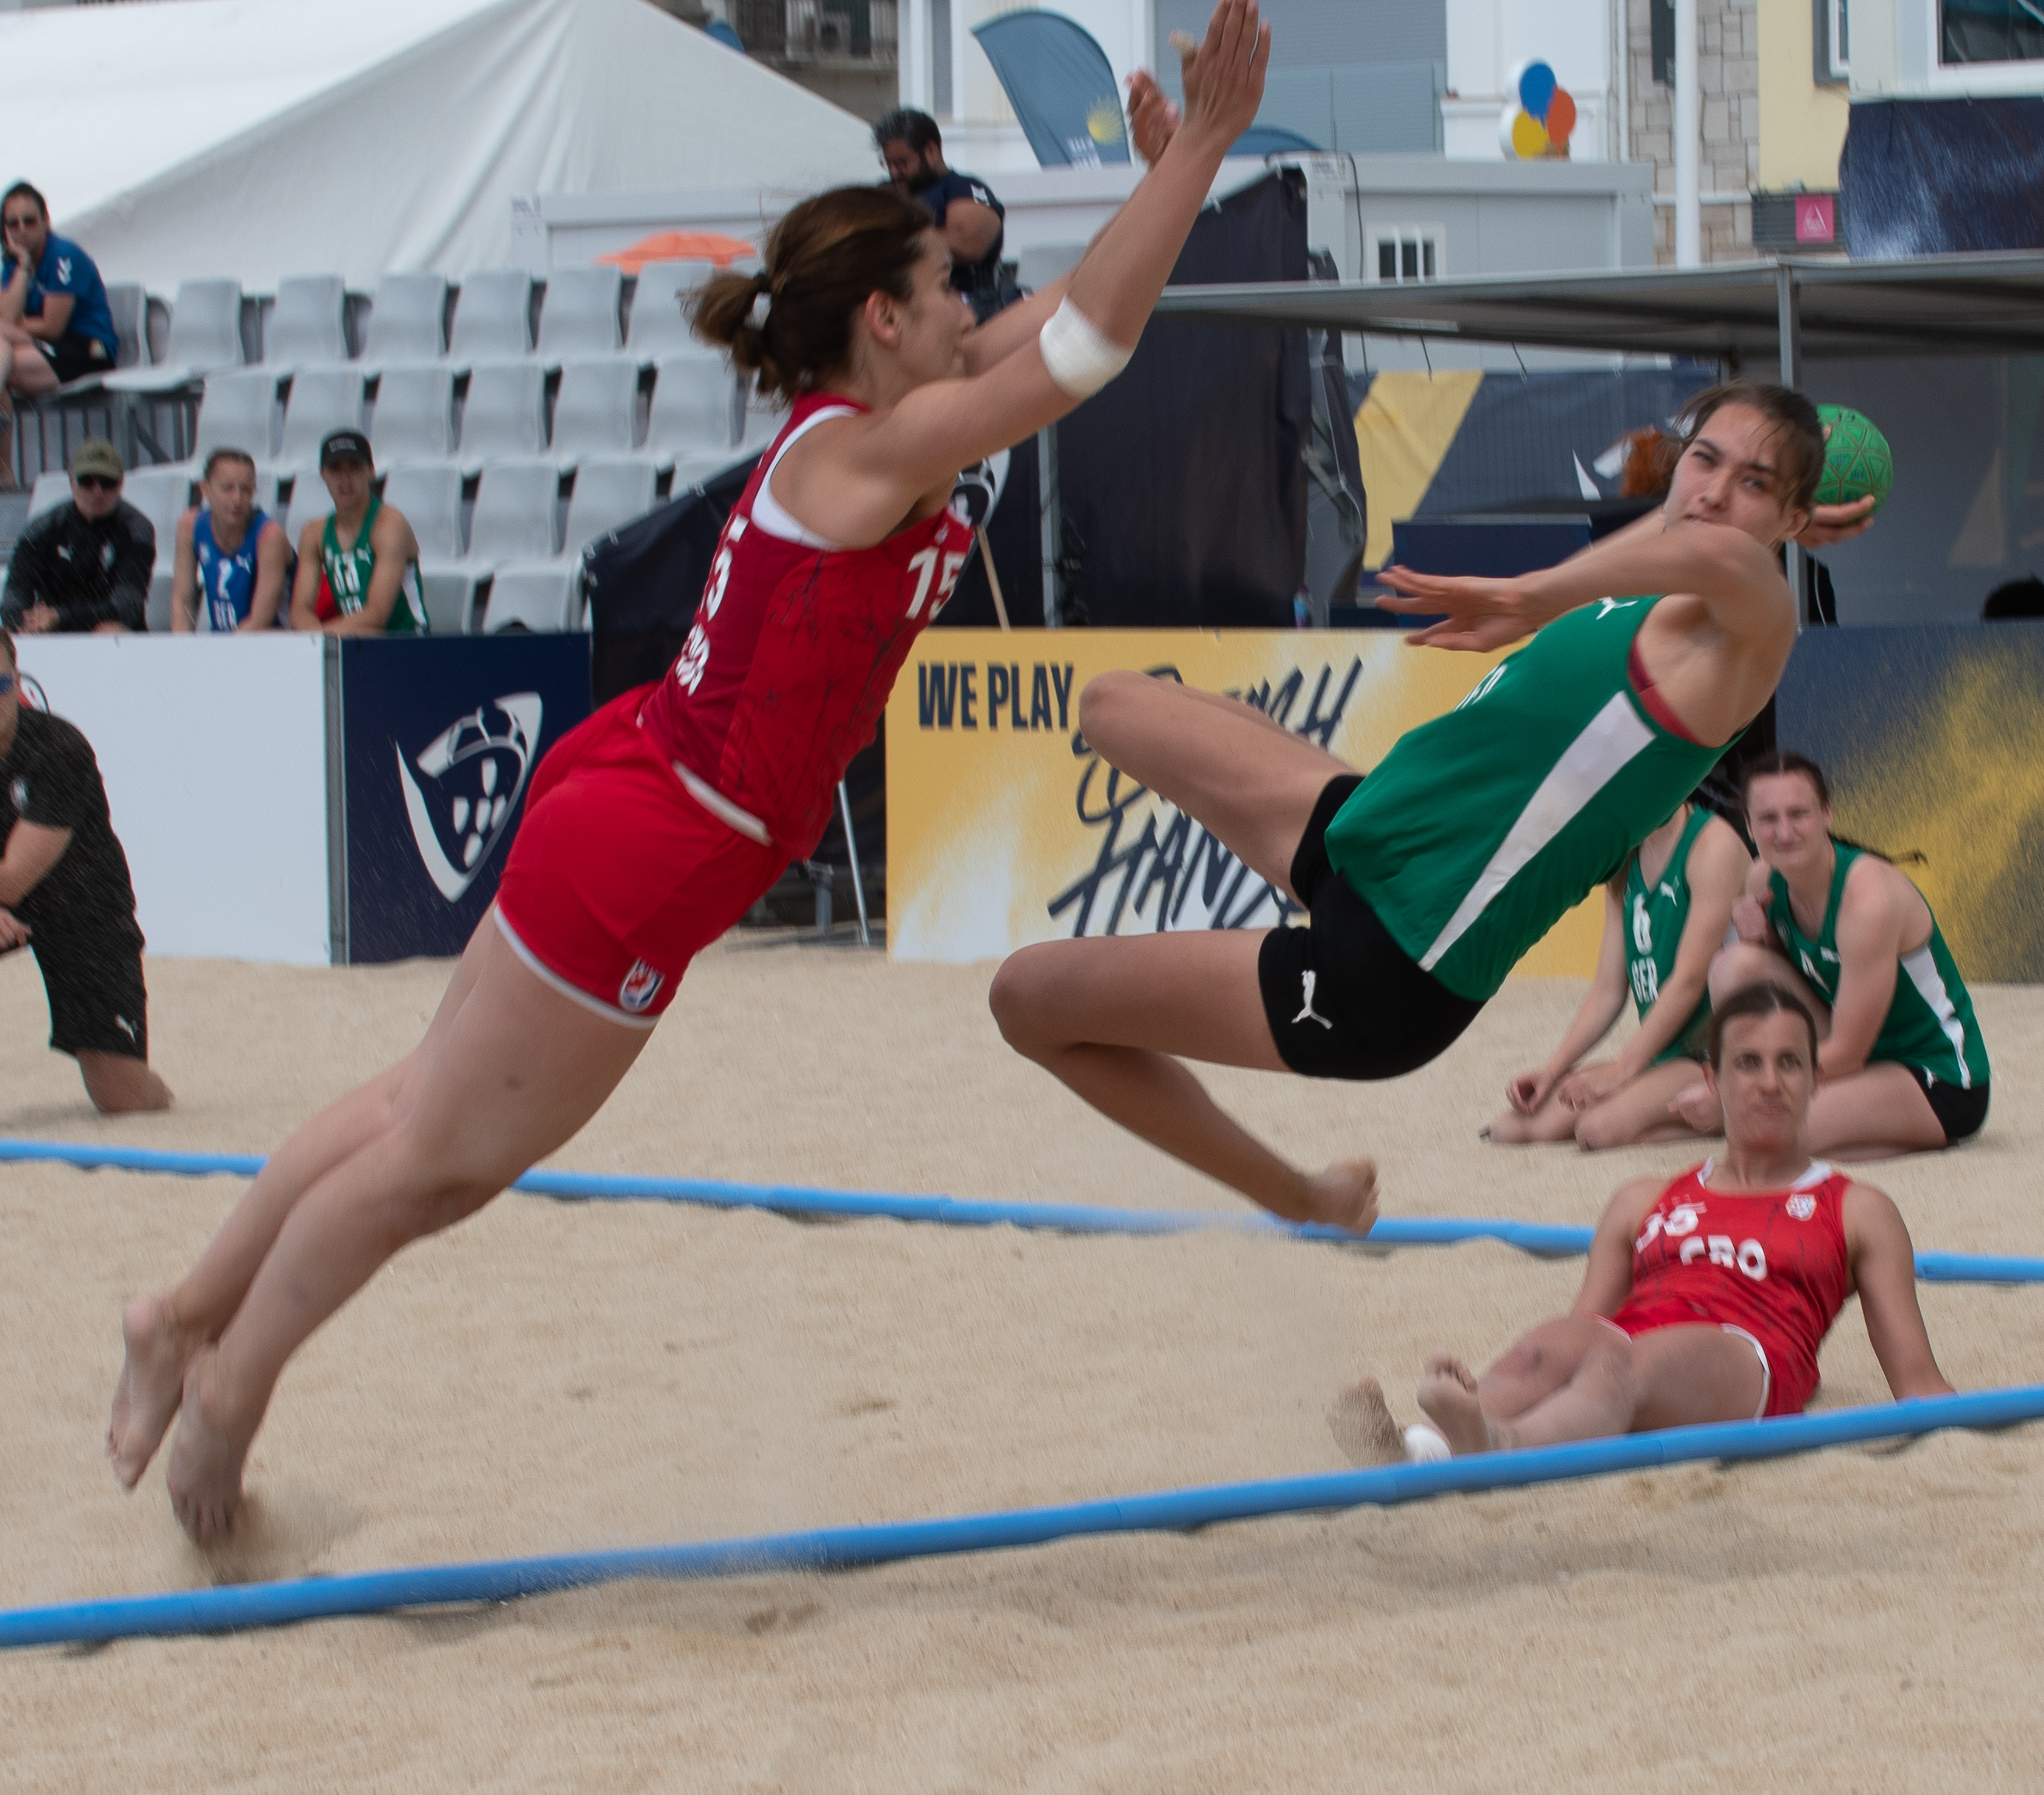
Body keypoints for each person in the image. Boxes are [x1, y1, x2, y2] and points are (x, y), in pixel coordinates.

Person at [103, 0, 1280, 1545]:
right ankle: (225, 1405)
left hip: (647, 789)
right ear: (880, 317)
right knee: (434, 1164)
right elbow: (1076, 350)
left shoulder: (885, 418)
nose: (963, 300)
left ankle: (179, 1315)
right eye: (940, 286)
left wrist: (1163, 184)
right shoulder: (863, 451)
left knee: (414, 1109)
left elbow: (1063, 323)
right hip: (664, 837)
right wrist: (1199, 149)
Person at [988, 375, 1875, 1234]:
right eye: (1705, 460)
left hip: (1396, 962)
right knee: (1111, 704)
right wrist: (1769, 500)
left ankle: (1302, 1195)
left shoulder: (1753, 627)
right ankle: (1390, 829)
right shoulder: (1660, 573)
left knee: (1025, 997)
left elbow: (1715, 549)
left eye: (1753, 484)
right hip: (1371, 832)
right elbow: (1688, 530)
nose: (1716, 491)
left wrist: (1530, 596)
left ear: (1789, 522)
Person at [1332, 982, 1954, 1462]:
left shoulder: (1856, 1207)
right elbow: (1587, 1327)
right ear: (1711, 1080)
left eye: (1789, 1063)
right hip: (1628, 1349)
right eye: (1748, 1063)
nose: (1769, 1083)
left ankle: (1503, 1447)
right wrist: (1558, 1357)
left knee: (1620, 1366)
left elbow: (1917, 1382)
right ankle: (1420, 1447)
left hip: (1748, 1360)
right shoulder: (1642, 1198)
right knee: (1545, 1348)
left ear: (1816, 1080)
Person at [1693, 751, 1992, 1159]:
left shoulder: (1867, 898)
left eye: (1798, 814)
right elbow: (1781, 984)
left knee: (1772, 1135)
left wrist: (1737, 1093)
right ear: (1748, 826)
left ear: (1827, 814)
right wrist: (1758, 940)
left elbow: (1848, 1053)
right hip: (1858, 1054)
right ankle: (1866, 1127)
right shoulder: (1763, 877)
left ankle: (1908, 1130)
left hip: (1936, 1075)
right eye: (1767, 819)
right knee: (1733, 967)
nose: (1783, 832)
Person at [1485, 796, 1750, 1149]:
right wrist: (1552, 1070)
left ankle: (1728, 1114)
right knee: (1512, 1129)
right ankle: (1662, 1094)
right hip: (1664, 1053)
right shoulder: (1626, 856)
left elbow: (1689, 982)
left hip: (1712, 1055)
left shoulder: (1713, 846)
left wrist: (1623, 1069)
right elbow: (1607, 991)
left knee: (1596, 1130)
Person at [0, 633, 172, 1113]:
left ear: (17, 679)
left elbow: (13, 878)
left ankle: (156, 1092)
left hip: (84, 910)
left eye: (1, 682)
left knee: (123, 1098)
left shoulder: (58, 748)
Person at [3, 439, 152, 636]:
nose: (97, 491)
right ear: (72, 482)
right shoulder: (44, 528)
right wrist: (25, 622)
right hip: (51, 628)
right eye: (87, 481)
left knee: (110, 630)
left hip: (106, 628)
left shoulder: (136, 529)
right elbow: (14, 594)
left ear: (121, 484)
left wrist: (59, 617)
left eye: (107, 483)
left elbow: (127, 607)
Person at [287, 431, 428, 636]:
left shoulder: (389, 525)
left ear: (371, 471)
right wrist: (316, 640)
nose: (345, 479)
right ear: (323, 475)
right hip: (352, 642)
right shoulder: (313, 533)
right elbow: (299, 611)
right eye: (335, 469)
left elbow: (377, 615)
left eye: (354, 467)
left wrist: (321, 637)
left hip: (406, 641)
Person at [877, 107, 1007, 319]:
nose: (894, 172)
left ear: (931, 150)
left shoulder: (965, 188)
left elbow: (967, 244)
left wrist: (890, 241)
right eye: (887, 163)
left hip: (966, 303)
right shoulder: (885, 192)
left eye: (901, 163)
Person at [0, 183, 119, 397]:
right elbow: (7, 318)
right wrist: (23, 266)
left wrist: (11, 329)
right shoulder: (14, 263)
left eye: (30, 221)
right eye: (13, 224)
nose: (22, 230)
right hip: (44, 345)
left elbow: (51, 327)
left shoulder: (64, 255)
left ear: (46, 220)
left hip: (88, 347)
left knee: (5, 362)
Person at [172, 448, 288, 635]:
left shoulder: (269, 537)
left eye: (246, 489)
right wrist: (181, 652)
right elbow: (182, 601)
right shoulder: (190, 526)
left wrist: (221, 656)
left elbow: (260, 621)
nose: (237, 499)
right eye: (228, 488)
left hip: (273, 645)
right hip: (226, 644)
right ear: (205, 490)